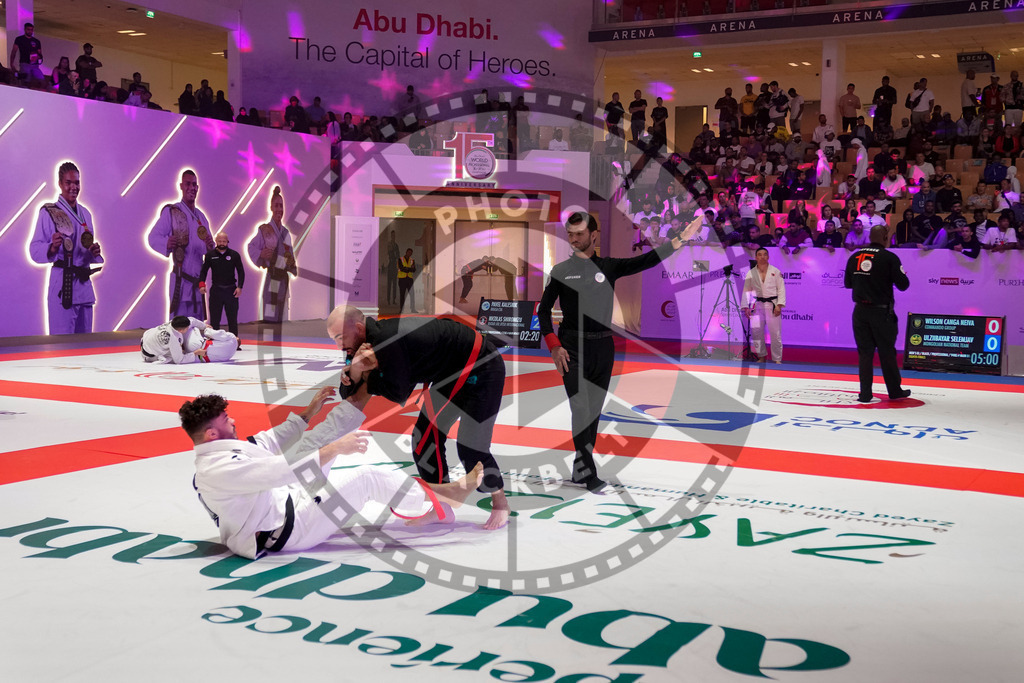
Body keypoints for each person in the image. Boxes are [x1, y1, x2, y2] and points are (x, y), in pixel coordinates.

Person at [182, 386, 486, 559]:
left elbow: (268, 440)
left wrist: (308, 413)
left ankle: (433, 507)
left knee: (336, 460)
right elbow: (280, 471)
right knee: (365, 477)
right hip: (287, 531)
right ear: (211, 434)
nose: (232, 420)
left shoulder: (223, 452)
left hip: (286, 503)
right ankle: (447, 495)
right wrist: (334, 448)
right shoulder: (216, 470)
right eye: (225, 418)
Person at [537, 212, 684, 492]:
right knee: (580, 407)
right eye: (570, 234)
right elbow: (543, 312)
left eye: (579, 234)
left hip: (604, 347)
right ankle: (586, 471)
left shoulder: (609, 266)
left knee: (592, 411)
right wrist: (554, 346)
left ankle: (581, 467)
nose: (574, 239)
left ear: (594, 235)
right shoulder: (560, 271)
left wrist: (677, 241)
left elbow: (645, 260)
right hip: (571, 348)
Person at [327, 306, 510, 529]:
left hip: (482, 366)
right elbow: (347, 391)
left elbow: (399, 392)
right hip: (449, 373)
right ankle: (442, 507)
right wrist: (354, 371)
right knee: (424, 439)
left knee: (471, 445)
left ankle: (500, 502)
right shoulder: (357, 343)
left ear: (357, 328)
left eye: (339, 337)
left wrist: (363, 372)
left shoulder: (387, 339)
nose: (338, 345)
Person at [28, 162, 103, 334]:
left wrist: (93, 253)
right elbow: (34, 249)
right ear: (60, 183)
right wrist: (52, 248)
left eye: (77, 182)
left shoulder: (86, 213)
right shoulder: (49, 212)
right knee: (62, 347)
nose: (73, 187)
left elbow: (83, 250)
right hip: (63, 286)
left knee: (85, 348)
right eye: (68, 182)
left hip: (84, 288)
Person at [844, 225, 912, 403]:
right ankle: (894, 390)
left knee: (865, 353)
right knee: (887, 352)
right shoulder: (889, 257)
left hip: (859, 311)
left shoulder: (855, 257)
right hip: (881, 312)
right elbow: (904, 284)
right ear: (884, 237)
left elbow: (848, 284)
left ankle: (865, 393)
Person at [148, 170, 214, 318]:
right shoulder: (172, 212)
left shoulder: (202, 217)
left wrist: (210, 247)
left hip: (197, 286)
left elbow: (207, 251)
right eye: (188, 184)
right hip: (181, 282)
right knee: (179, 333)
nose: (192, 187)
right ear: (181, 186)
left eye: (194, 185)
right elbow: (153, 237)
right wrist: (166, 242)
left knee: (197, 334)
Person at [246, 186, 297, 323]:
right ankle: (271, 342)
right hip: (273, 277)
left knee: (283, 316)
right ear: (271, 207)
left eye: (281, 206)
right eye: (276, 205)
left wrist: (292, 265)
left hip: (283, 278)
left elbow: (290, 255)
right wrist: (261, 253)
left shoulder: (286, 233)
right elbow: (251, 246)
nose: (279, 209)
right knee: (271, 316)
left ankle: (282, 342)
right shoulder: (265, 230)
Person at [199, 232, 246, 343]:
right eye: (219, 241)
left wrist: (240, 287)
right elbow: (203, 271)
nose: (222, 243)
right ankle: (215, 342)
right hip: (216, 291)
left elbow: (241, 272)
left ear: (227, 241)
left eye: (224, 241)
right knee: (215, 319)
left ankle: (234, 343)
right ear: (216, 241)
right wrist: (202, 284)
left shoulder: (234, 255)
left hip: (231, 290)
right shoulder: (210, 255)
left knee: (232, 318)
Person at [743, 248, 786, 364]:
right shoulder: (751, 273)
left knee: (775, 333)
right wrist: (746, 307)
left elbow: (781, 290)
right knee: (756, 332)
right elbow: (747, 290)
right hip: (756, 306)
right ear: (756, 257)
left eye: (765, 255)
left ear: (768, 257)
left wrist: (779, 305)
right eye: (760, 255)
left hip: (772, 305)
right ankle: (761, 356)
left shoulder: (775, 271)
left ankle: (777, 358)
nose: (762, 257)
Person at [140, 316, 210, 364]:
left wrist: (204, 326)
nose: (188, 328)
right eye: (187, 328)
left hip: (148, 338)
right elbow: (179, 360)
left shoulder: (174, 323)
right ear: (180, 330)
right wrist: (195, 353)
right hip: (149, 355)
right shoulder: (173, 338)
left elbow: (192, 320)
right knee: (173, 357)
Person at [11, 22, 44, 87]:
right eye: (28, 29)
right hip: (24, 63)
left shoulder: (36, 41)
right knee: (26, 81)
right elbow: (14, 52)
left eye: (31, 30)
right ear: (25, 29)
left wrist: (36, 57)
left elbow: (40, 55)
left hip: (35, 65)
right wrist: (12, 63)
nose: (30, 31)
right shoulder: (19, 39)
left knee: (42, 80)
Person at [397, 248, 417, 313]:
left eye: (411, 253)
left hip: (409, 279)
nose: (409, 254)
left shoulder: (412, 260)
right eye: (408, 252)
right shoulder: (400, 259)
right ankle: (401, 309)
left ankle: (413, 309)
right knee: (402, 295)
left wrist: (407, 269)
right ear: (406, 252)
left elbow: (414, 270)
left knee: (412, 294)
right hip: (402, 279)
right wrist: (409, 269)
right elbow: (401, 268)